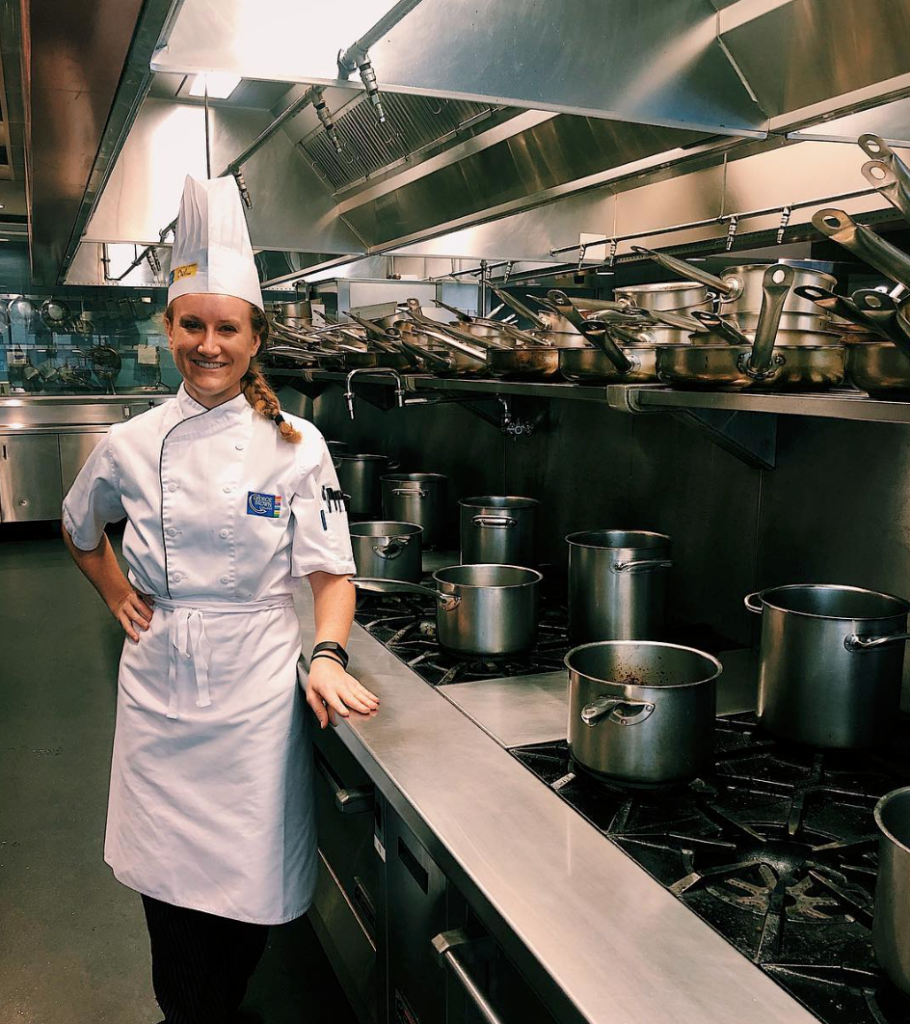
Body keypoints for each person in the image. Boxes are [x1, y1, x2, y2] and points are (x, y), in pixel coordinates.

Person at [61, 174, 379, 1023]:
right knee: (168, 896)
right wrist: (115, 592)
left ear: (253, 336)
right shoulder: (129, 443)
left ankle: (220, 1006)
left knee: (250, 894)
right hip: (162, 691)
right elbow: (77, 526)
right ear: (169, 329)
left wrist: (328, 652)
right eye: (192, 325)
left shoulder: (295, 443)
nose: (209, 343)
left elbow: (330, 571)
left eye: (225, 327)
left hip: (256, 693)